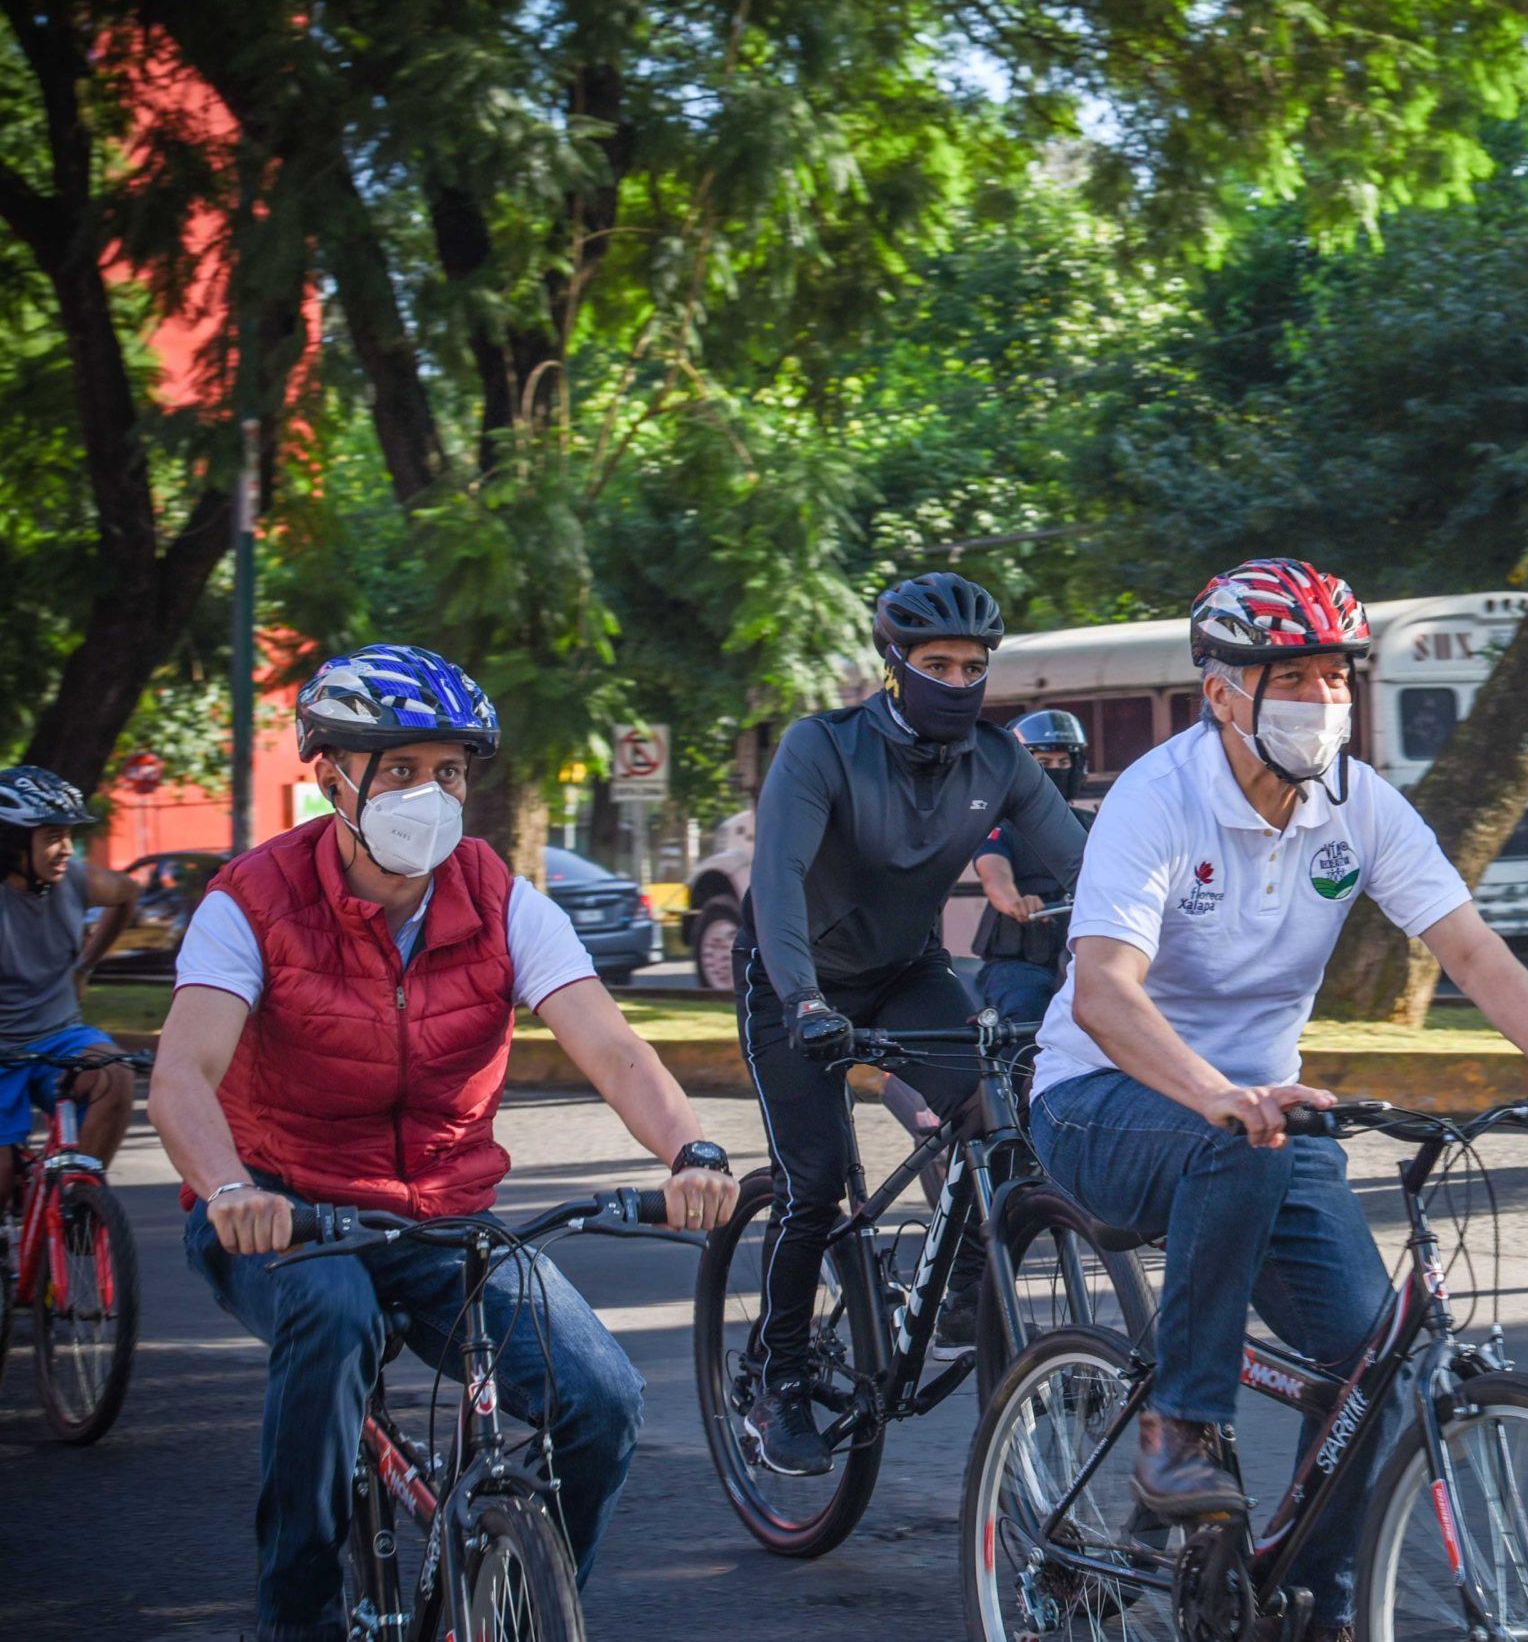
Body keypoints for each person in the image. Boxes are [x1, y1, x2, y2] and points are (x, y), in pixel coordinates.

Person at [1029, 557, 1528, 1642]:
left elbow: (1471, 950)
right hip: (1100, 1100)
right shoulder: (1154, 799)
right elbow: (1104, 996)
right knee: (1237, 1145)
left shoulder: (1361, 808)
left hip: (1262, 1115)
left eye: (1337, 675)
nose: (1323, 699)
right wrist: (1216, 1093)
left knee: (1370, 1366)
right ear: (1222, 690)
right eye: (1293, 674)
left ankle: (1312, 1610)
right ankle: (1180, 1426)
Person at [148, 645, 739, 1642]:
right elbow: (181, 1076)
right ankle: (297, 1616)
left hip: (444, 1221)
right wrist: (229, 1189)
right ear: (331, 773)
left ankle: (523, 1599)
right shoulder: (249, 902)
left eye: (453, 769)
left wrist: (693, 1151)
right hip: (290, 1217)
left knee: (602, 1398)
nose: (434, 792)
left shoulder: (501, 899)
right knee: (331, 1320)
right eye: (404, 768)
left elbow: (613, 1046)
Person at [736, 573, 1087, 1475]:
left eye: (973, 666)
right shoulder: (822, 747)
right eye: (937, 663)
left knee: (990, 1108)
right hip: (795, 981)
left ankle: (968, 1287)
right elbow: (775, 881)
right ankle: (778, 1376)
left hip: (903, 973)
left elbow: (1088, 866)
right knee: (813, 1184)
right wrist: (805, 1001)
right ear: (892, 665)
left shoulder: (999, 762)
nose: (958, 681)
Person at [0, 764, 142, 1227]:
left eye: (68, 836)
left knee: (114, 1075)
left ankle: (76, 1204)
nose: (65, 850)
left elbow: (127, 894)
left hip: (57, 1036)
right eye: (51, 837)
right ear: (12, 843)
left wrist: (86, 965)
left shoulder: (75, 881)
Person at [971, 709, 1092, 1026]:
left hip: (1085, 956)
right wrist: (1015, 902)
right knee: (1026, 1011)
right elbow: (993, 872)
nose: (1056, 771)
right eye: (1043, 764)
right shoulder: (1000, 825)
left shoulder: (1094, 826)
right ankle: (1018, 1074)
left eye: (1064, 763)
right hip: (1020, 961)